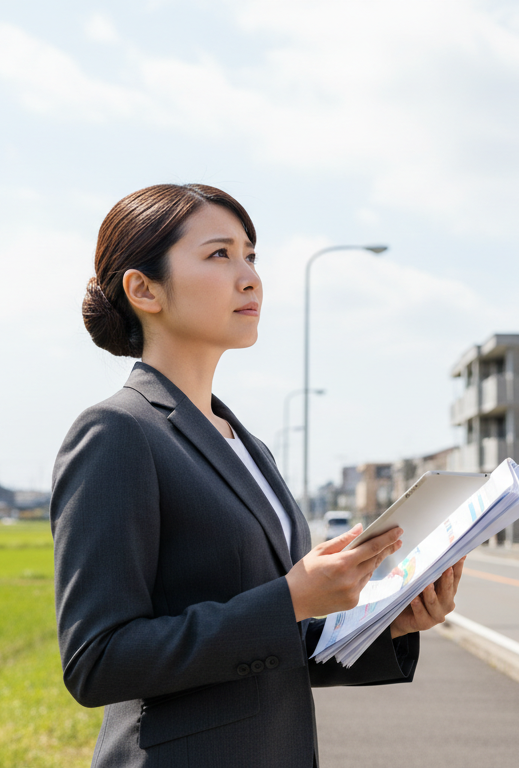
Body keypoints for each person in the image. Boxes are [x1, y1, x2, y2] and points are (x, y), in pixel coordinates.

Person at [51, 183, 464, 767]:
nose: (249, 276)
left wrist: (385, 625)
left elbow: (271, 644)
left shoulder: (248, 446)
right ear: (144, 289)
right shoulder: (117, 433)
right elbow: (98, 660)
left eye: (251, 255)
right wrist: (291, 598)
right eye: (220, 254)